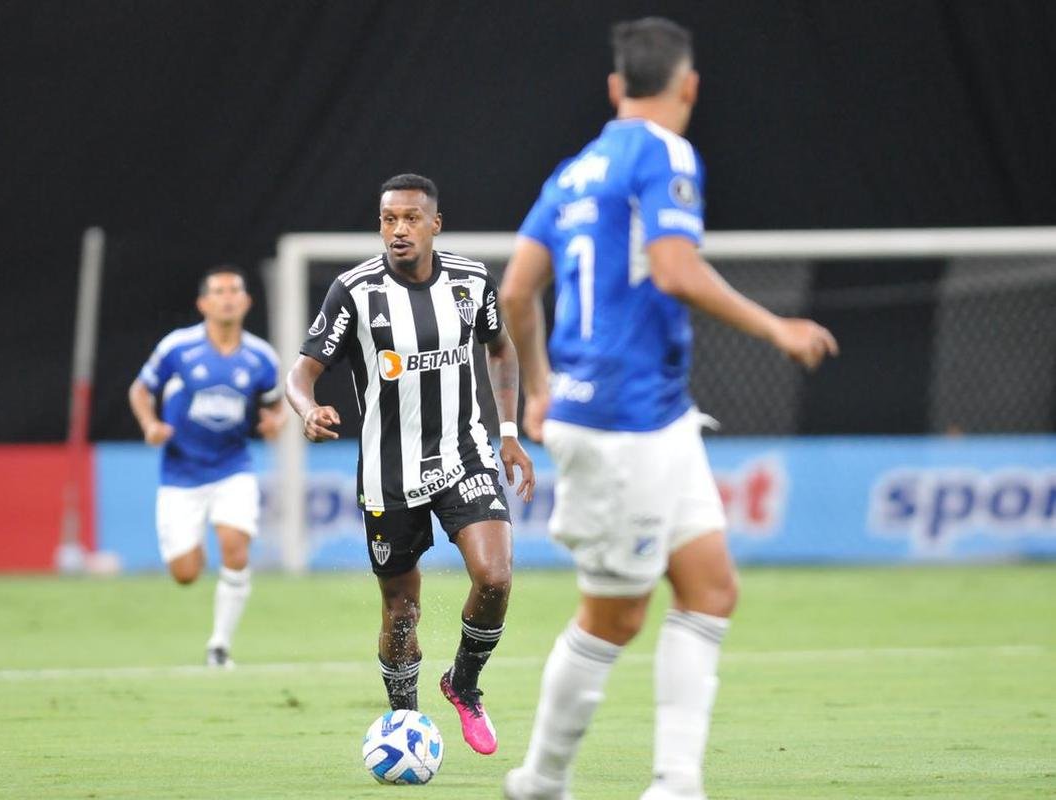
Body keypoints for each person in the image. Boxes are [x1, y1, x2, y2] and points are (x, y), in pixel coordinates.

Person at [499, 18, 838, 800]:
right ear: (688, 86)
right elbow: (677, 271)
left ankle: (676, 784)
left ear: (616, 88)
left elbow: (517, 291)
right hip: (623, 420)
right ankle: (540, 782)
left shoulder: (575, 169)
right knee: (613, 617)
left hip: (651, 414)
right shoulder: (667, 153)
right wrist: (776, 327)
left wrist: (543, 387)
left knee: (710, 587)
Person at [285, 173, 536, 755]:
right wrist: (307, 409)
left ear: (434, 224)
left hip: (465, 453)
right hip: (388, 471)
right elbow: (301, 373)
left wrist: (507, 431)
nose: (398, 230)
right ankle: (406, 722)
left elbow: (501, 347)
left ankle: (464, 684)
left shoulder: (473, 282)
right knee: (402, 610)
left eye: (410, 219)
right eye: (388, 219)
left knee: (495, 577)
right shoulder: (354, 293)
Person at [128, 266, 286, 668]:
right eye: (218, 291)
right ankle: (191, 553)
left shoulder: (261, 357)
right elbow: (141, 389)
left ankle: (219, 646)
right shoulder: (178, 349)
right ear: (203, 303)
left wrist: (276, 422)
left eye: (235, 290)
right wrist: (149, 425)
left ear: (247, 301)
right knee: (185, 572)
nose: (228, 296)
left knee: (235, 547)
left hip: (233, 466)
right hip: (180, 472)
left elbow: (276, 402)